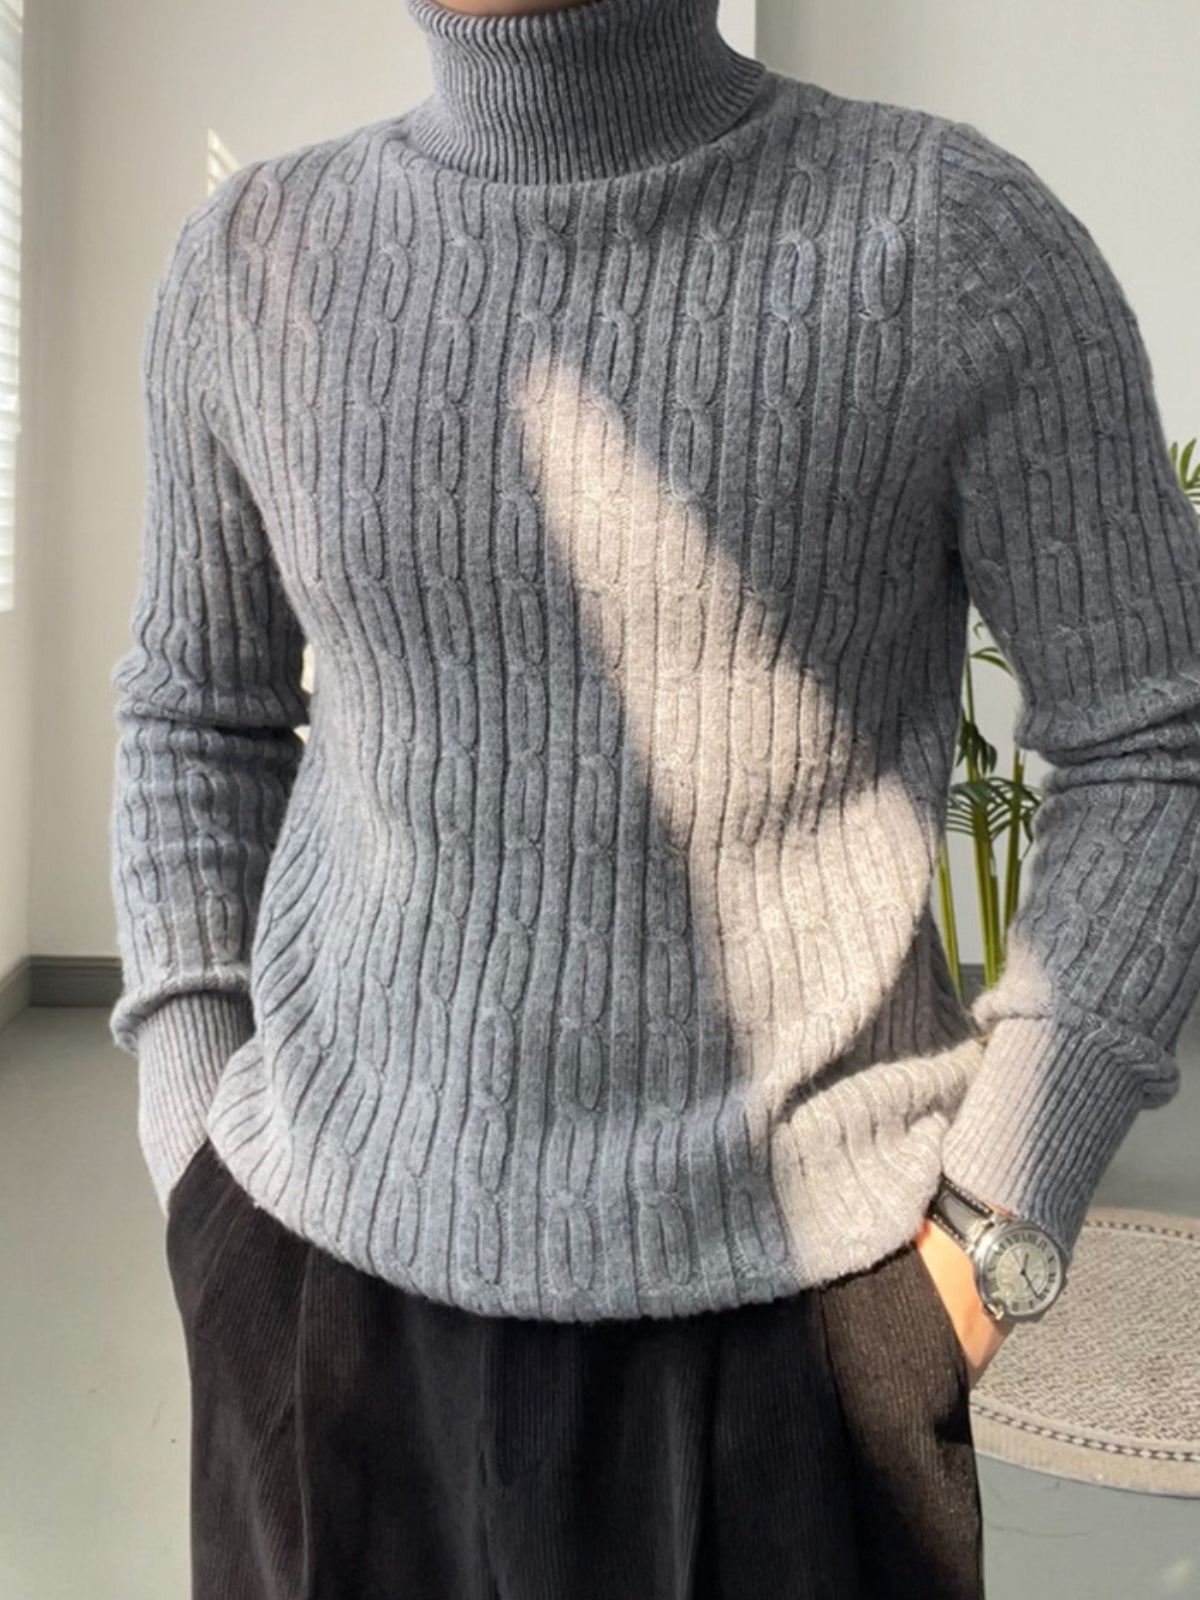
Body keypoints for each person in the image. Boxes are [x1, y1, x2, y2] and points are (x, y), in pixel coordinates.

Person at [107, 0, 1200, 1594]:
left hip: (806, 1348)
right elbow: (193, 710)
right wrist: (194, 1145)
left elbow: (1156, 731)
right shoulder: (249, 263)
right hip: (317, 1306)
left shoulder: (953, 243)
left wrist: (995, 1221)